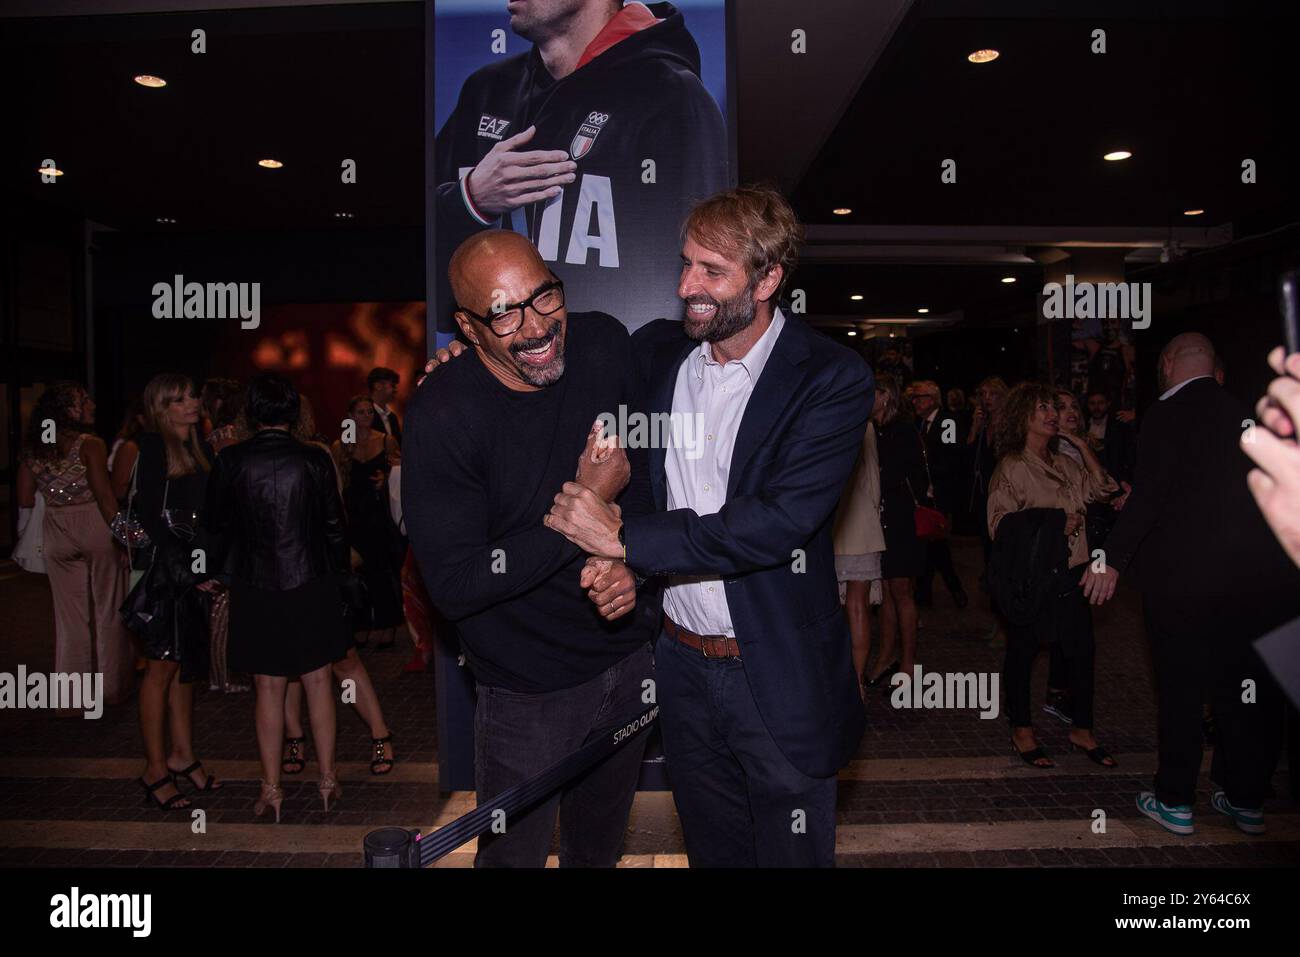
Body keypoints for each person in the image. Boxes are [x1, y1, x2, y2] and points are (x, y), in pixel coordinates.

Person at [545, 186, 873, 867]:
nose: (685, 285)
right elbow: (569, 376)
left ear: (769, 279)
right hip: (683, 668)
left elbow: (773, 524)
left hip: (775, 672)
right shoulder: (663, 358)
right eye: (685, 263)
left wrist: (624, 542)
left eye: (710, 271)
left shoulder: (830, 378)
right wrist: (467, 362)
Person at [403, 229, 658, 868]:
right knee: (512, 861)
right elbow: (456, 584)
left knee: (597, 854)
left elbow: (647, 475)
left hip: (628, 662)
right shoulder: (444, 413)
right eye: (504, 311)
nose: (537, 326)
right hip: (527, 692)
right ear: (468, 326)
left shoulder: (602, 343)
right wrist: (580, 515)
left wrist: (631, 561)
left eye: (544, 296)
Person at [1082, 333, 1299, 835]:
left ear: (1167, 364)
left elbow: (1154, 494)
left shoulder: (1167, 412)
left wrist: (1109, 559)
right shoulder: (1248, 413)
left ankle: (1175, 799)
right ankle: (1245, 799)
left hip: (1182, 583)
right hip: (1250, 584)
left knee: (1180, 688)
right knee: (1241, 691)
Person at [433, 0, 728, 334]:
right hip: (495, 381)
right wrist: (470, 200)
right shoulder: (486, 91)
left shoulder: (673, 97)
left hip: (622, 381)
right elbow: (433, 290)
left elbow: (707, 281)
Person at [206, 374, 354, 821]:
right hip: (310, 581)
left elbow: (215, 527)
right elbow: (333, 528)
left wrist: (213, 573)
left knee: (268, 690)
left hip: (254, 585)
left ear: (251, 412)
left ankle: (271, 789)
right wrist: (342, 578)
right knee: (318, 682)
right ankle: (328, 780)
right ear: (292, 412)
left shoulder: (229, 461)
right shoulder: (314, 460)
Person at [987, 381, 1119, 769]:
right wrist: (1054, 523)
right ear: (1023, 417)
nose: (1052, 414)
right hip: (1034, 579)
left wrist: (1081, 446)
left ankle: (1082, 728)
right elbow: (998, 526)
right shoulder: (1011, 467)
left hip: (1073, 574)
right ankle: (1022, 729)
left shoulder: (1066, 464)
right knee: (1024, 652)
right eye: (1042, 408)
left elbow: (1105, 490)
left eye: (1053, 408)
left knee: (1082, 652)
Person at [282, 396, 396, 777]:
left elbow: (335, 514)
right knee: (288, 666)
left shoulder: (316, 454)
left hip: (317, 570)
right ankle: (294, 740)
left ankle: (380, 735)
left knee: (344, 660)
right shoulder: (260, 456)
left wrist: (336, 565)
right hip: (278, 574)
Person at [129, 374, 222, 811]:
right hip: (164, 577)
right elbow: (148, 520)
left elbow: (204, 518)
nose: (192, 403)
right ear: (161, 407)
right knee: (160, 668)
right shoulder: (151, 447)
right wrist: (188, 570)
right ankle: (154, 769)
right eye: (180, 399)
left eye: (192, 395)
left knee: (184, 665)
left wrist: (204, 567)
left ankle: (182, 755)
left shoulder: (198, 446)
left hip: (189, 574)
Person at [16, 381, 134, 710]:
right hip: (94, 526)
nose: (92, 405)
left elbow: (25, 497)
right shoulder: (90, 445)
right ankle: (110, 688)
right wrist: (130, 536)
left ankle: (70, 696)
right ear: (69, 409)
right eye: (85, 401)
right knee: (109, 609)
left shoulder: (33, 448)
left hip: (56, 529)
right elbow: (106, 497)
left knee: (69, 618)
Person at [867, 374, 927, 689]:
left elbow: (902, 474)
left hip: (899, 518)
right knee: (887, 592)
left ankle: (908, 663)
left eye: (872, 393)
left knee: (902, 592)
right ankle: (886, 657)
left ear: (885, 396)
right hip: (878, 518)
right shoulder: (871, 429)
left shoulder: (902, 431)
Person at [332, 395, 406, 648]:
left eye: (368, 412)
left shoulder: (385, 440)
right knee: (356, 573)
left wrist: (386, 479)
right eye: (360, 412)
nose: (366, 417)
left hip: (378, 513)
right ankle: (361, 625)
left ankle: (388, 624)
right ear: (350, 416)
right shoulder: (342, 445)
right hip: (353, 517)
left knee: (382, 571)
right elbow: (337, 484)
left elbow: (401, 470)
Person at [833, 415, 885, 699]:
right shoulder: (862, 425)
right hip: (861, 521)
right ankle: (857, 681)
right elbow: (873, 479)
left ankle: (838, 677)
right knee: (858, 606)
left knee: (831, 608)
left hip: (829, 523)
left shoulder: (817, 417)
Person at [911, 379, 967, 609]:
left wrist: (927, 472)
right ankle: (934, 592)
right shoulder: (917, 424)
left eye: (920, 397)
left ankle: (944, 591)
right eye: (914, 397)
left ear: (933, 400)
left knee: (935, 543)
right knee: (931, 545)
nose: (915, 402)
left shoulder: (947, 423)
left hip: (940, 495)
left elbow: (952, 458)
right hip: (924, 497)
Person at [366, 367, 402, 443]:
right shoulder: (363, 414)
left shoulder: (392, 417)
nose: (395, 390)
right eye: (392, 385)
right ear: (378, 386)